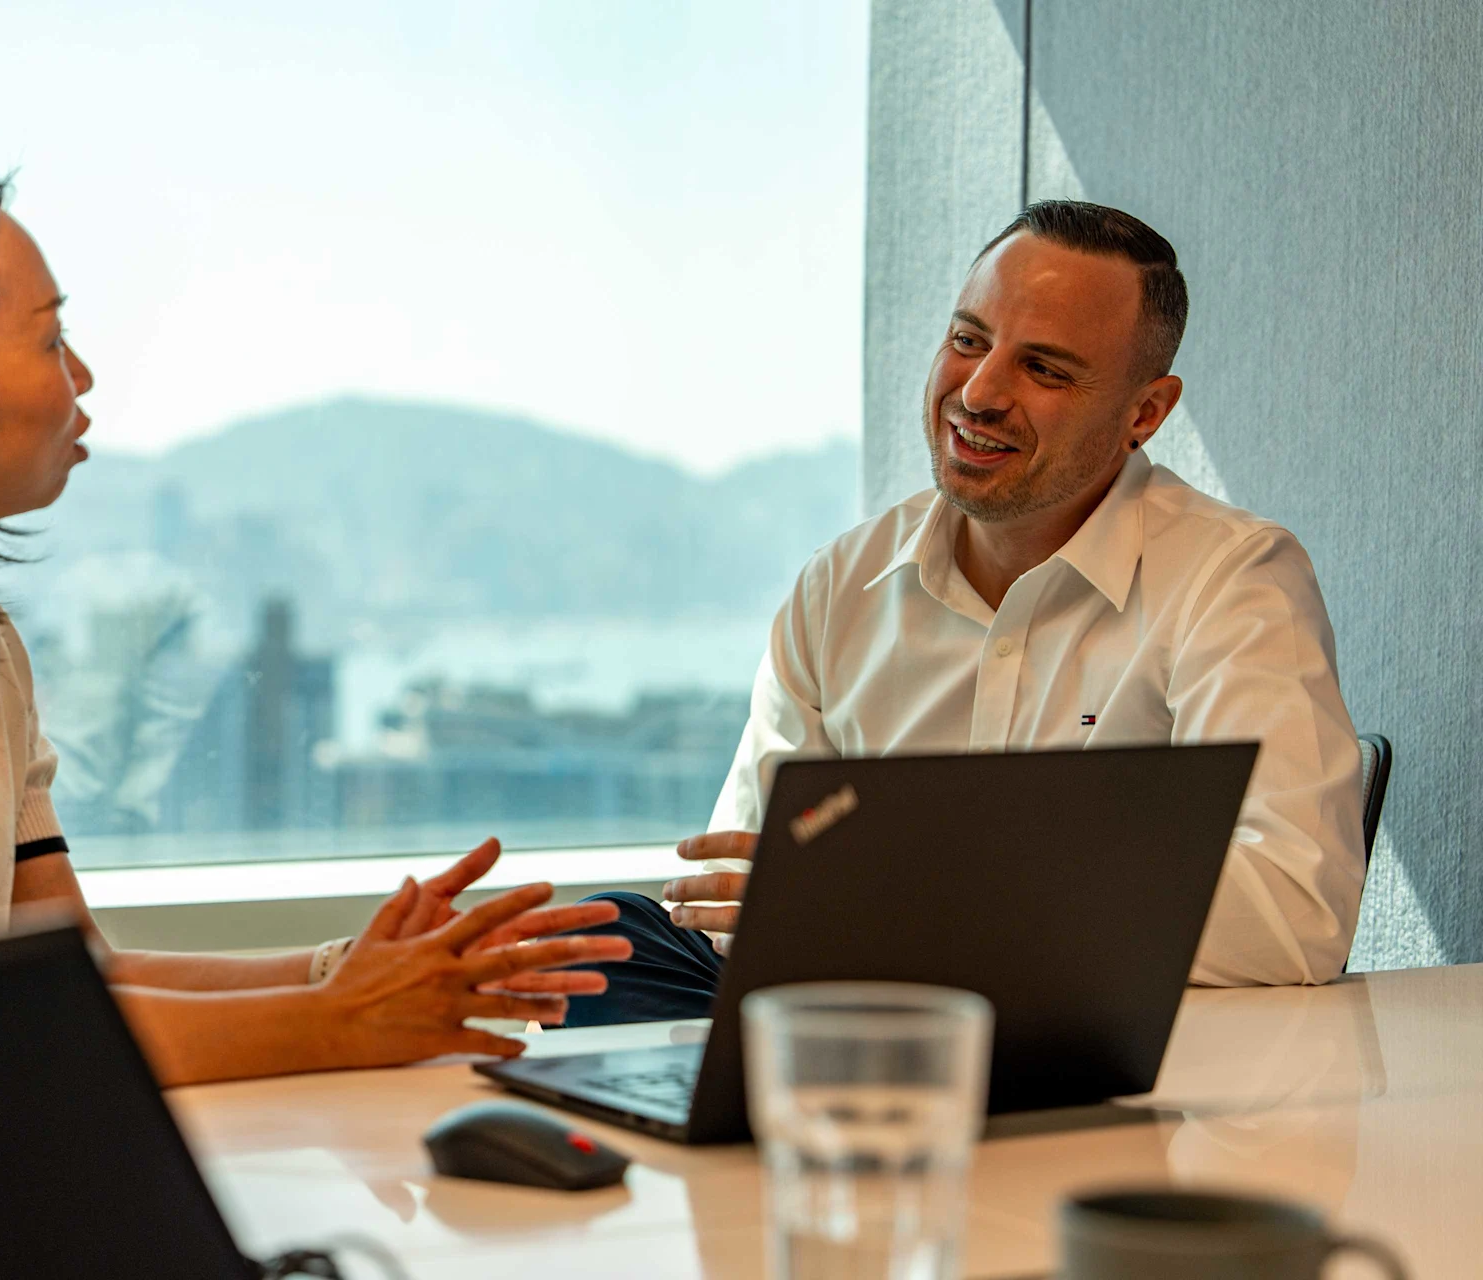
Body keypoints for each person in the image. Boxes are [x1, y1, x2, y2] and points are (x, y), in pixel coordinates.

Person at [0, 164, 632, 1082]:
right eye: (49, 337)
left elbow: (68, 973)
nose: (81, 376)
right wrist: (344, 1019)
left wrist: (342, 970)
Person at [562, 200, 1366, 1025]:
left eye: (1045, 370)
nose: (978, 393)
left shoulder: (1232, 581)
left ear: (1146, 412)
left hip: (1083, 1049)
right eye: (968, 341)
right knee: (602, 944)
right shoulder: (842, 585)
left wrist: (917, 900)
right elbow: (744, 896)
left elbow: (1293, 909)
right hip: (857, 1036)